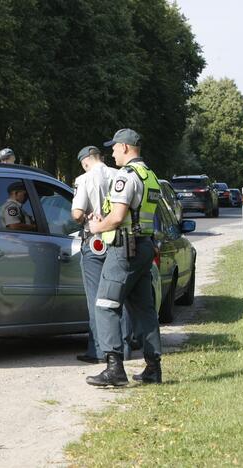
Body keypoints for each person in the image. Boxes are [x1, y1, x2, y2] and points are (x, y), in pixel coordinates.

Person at [85, 128, 163, 387]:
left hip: (124, 250)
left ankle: (114, 368)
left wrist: (96, 226)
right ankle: (153, 368)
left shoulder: (126, 176)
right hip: (143, 248)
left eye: (115, 147)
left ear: (126, 148)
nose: (113, 152)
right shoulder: (149, 175)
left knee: (105, 305)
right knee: (144, 309)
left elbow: (118, 217)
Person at [71, 145, 133, 364]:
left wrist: (84, 216)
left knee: (96, 298)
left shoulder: (84, 179)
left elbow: (77, 213)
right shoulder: (120, 175)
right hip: (118, 240)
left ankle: (99, 350)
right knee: (118, 295)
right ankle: (124, 348)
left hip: (95, 240)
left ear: (85, 161)